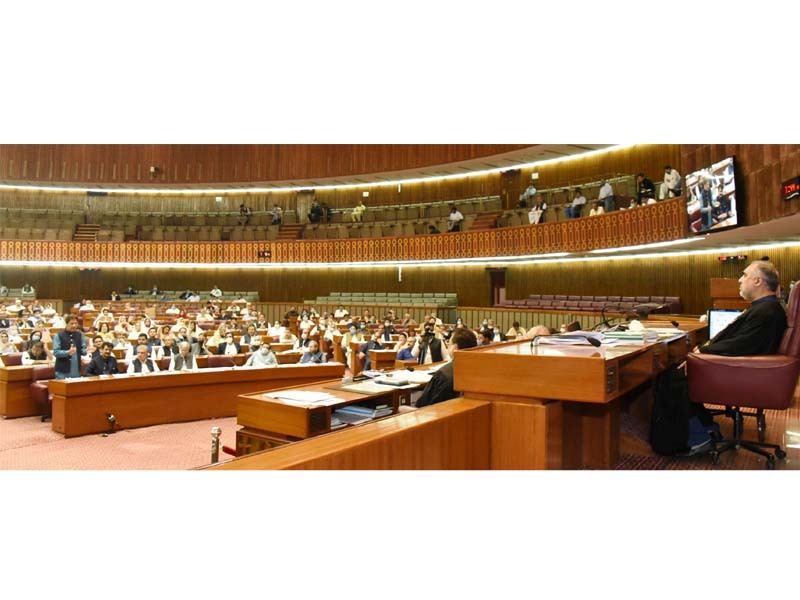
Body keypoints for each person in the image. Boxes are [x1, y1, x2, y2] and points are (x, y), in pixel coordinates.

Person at [694, 261, 787, 356]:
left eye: (745, 275)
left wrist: (703, 351)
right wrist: (703, 347)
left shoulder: (766, 311)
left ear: (758, 281)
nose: (739, 280)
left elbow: (741, 345)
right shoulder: (763, 307)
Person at [416, 328, 478, 408]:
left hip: (435, 414)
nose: (448, 346)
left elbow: (422, 404)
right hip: (464, 410)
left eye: (449, 343)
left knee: (401, 408)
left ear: (455, 347)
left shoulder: (443, 374)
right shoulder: (478, 368)